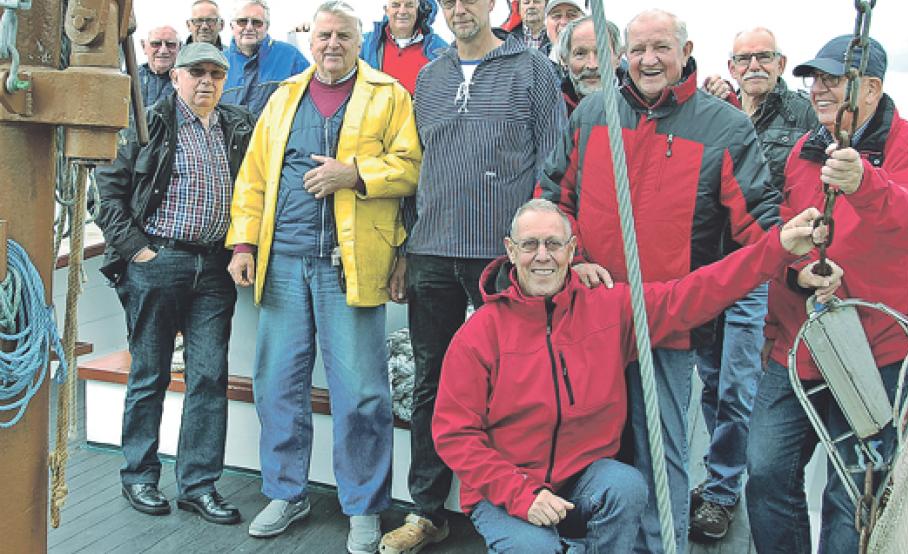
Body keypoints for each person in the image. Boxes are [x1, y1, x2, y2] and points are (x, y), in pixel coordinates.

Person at [432, 199, 828, 553]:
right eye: (530, 245)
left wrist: (775, 251)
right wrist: (521, 495)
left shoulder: (610, 309)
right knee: (533, 547)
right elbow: (455, 433)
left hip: (581, 481)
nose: (542, 256)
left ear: (571, 251)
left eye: (553, 244)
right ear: (510, 251)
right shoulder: (480, 334)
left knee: (625, 486)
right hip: (505, 489)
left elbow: (695, 293)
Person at [539, 9, 780, 553]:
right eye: (639, 48)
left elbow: (758, 225)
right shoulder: (592, 114)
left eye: (661, 48)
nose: (649, 59)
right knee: (582, 439)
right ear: (623, 53)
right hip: (590, 314)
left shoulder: (725, 128)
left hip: (667, 324)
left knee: (662, 446)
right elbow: (555, 198)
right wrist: (572, 256)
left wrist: (803, 261)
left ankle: (660, 544)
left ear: (686, 50)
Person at [225, 3, 420, 552]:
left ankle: (363, 506)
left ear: (361, 41)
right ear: (311, 40)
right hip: (283, 262)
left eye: (344, 35)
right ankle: (287, 491)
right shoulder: (283, 96)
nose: (332, 43)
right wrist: (243, 243)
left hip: (350, 267)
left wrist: (354, 174)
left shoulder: (390, 95)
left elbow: (412, 167)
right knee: (277, 384)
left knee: (360, 393)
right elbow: (254, 178)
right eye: (324, 34)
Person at [746, 35, 908, 554]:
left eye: (833, 80)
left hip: (876, 353)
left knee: (853, 494)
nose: (818, 90)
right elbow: (785, 230)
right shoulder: (803, 150)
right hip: (797, 345)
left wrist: (867, 183)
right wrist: (796, 274)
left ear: (873, 87)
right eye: (815, 79)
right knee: (765, 473)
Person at [378, 0, 565, 552]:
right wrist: (407, 249)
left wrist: (535, 252)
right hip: (432, 251)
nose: (460, 8)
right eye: (451, 0)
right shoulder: (430, 78)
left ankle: (519, 504)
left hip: (501, 260)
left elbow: (552, 163)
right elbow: (414, 170)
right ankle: (428, 510)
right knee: (431, 384)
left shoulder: (533, 70)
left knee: (515, 385)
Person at [93, 42, 254, 525]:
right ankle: (139, 476)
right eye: (197, 72)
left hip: (214, 268)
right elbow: (107, 197)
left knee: (208, 376)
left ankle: (198, 485)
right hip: (158, 260)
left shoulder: (236, 125)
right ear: (177, 77)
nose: (206, 81)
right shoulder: (147, 124)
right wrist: (140, 252)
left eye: (216, 74)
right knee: (150, 373)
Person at [688, 27, 817, 542]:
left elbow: (799, 191)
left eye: (764, 56)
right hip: (707, 268)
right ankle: (721, 474)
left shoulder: (802, 115)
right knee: (712, 378)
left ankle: (720, 493)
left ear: (781, 61)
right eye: (744, 58)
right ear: (732, 65)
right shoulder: (713, 108)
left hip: (756, 268)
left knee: (740, 384)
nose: (754, 65)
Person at [222, 0, 309, 117]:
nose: (249, 27)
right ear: (232, 26)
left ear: (267, 26)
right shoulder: (220, 62)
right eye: (242, 21)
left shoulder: (290, 56)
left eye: (257, 22)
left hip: (275, 135)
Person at [360, 0, 448, 95]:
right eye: (396, 5)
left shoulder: (441, 50)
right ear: (386, 10)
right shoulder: (364, 44)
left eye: (409, 5)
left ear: (417, 10)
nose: (402, 11)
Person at [553, 15, 621, 115]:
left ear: (618, 58)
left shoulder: (639, 107)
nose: (592, 65)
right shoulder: (552, 109)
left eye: (602, 53)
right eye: (580, 54)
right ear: (564, 59)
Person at [138, 26, 180, 107]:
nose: (163, 50)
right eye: (156, 44)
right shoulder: (130, 77)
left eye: (170, 44)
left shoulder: (186, 80)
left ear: (180, 47)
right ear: (143, 46)